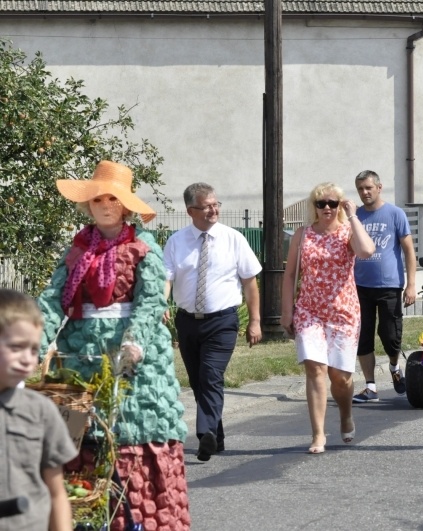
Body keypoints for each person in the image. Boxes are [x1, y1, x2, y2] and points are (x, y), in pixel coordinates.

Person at [38, 160, 190, 530]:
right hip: (81, 356)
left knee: (133, 427)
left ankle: (139, 516)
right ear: (87, 204)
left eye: (113, 199)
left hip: (133, 360)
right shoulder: (76, 251)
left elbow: (151, 302)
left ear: (125, 205)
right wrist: (34, 343)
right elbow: (52, 300)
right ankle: (82, 515)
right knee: (77, 432)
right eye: (97, 199)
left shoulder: (144, 247)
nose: (105, 206)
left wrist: (135, 342)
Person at [163, 182, 262, 462]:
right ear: (190, 211)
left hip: (222, 321)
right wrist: (161, 302)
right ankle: (215, 437)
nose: (213, 210)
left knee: (210, 375)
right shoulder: (176, 241)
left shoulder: (234, 239)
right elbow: (166, 278)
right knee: (198, 381)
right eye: (206, 206)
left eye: (216, 204)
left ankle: (204, 432)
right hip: (187, 322)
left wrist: (255, 321)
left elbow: (250, 283)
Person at [280, 183, 375, 454]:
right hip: (309, 311)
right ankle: (318, 434)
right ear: (314, 207)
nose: (327, 208)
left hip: (343, 313)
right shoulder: (303, 235)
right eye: (321, 203)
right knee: (315, 369)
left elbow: (366, 251)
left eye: (332, 203)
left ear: (340, 205)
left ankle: (345, 414)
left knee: (340, 377)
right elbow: (290, 275)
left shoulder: (348, 232)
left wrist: (353, 216)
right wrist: (287, 311)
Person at [1, 289, 77, 531]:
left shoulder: (41, 411)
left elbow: (56, 493)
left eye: (34, 350)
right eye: (17, 347)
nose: (28, 359)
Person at [352, 170, 416, 403]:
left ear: (379, 187)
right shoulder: (355, 217)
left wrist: (411, 285)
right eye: (360, 189)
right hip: (360, 287)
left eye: (368, 187)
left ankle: (394, 366)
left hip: (389, 285)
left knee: (390, 335)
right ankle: (370, 387)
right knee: (363, 337)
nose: (364, 192)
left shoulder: (395, 214)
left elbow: (409, 250)